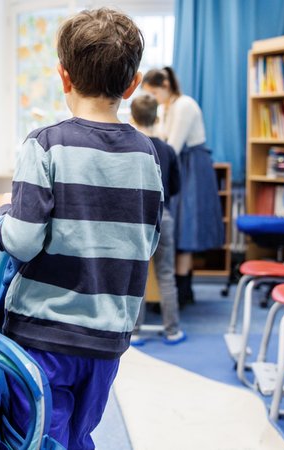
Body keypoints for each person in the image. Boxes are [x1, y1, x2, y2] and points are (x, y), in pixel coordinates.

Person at [0, 8, 162, 449]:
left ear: (63, 76)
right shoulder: (146, 154)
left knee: (36, 439)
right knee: (77, 435)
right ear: (132, 84)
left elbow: (24, 241)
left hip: (43, 334)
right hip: (107, 337)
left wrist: (3, 219)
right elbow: (148, 239)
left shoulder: (45, 144)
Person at [142, 67, 224, 304]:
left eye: (155, 93)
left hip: (191, 167)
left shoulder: (185, 105)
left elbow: (173, 146)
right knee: (177, 228)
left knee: (187, 227)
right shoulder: (168, 108)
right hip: (179, 165)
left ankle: (183, 290)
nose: (154, 99)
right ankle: (173, 292)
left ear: (165, 86)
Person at [128, 94, 185, 346]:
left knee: (136, 274)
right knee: (166, 274)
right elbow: (175, 187)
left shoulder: (130, 147)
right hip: (164, 215)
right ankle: (172, 330)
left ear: (132, 117)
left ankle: (135, 330)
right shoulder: (168, 149)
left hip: (136, 217)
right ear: (157, 117)